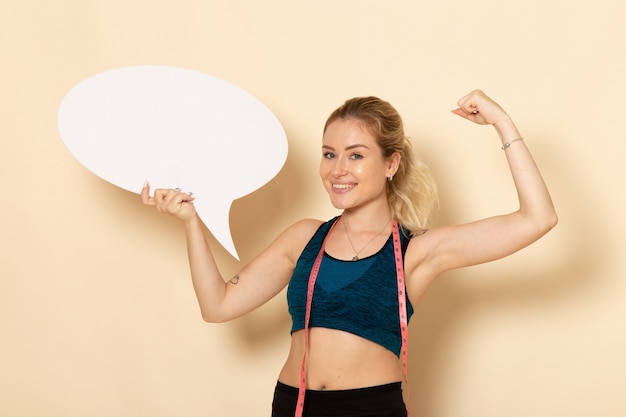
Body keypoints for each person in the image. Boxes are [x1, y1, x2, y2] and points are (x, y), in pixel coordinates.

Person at [141, 89, 557, 417]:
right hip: (293, 406)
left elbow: (537, 219)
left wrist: (501, 122)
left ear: (391, 163)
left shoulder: (418, 250)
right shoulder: (305, 238)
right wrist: (191, 222)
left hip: (370, 409)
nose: (337, 169)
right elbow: (219, 305)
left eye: (356, 155)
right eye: (329, 154)